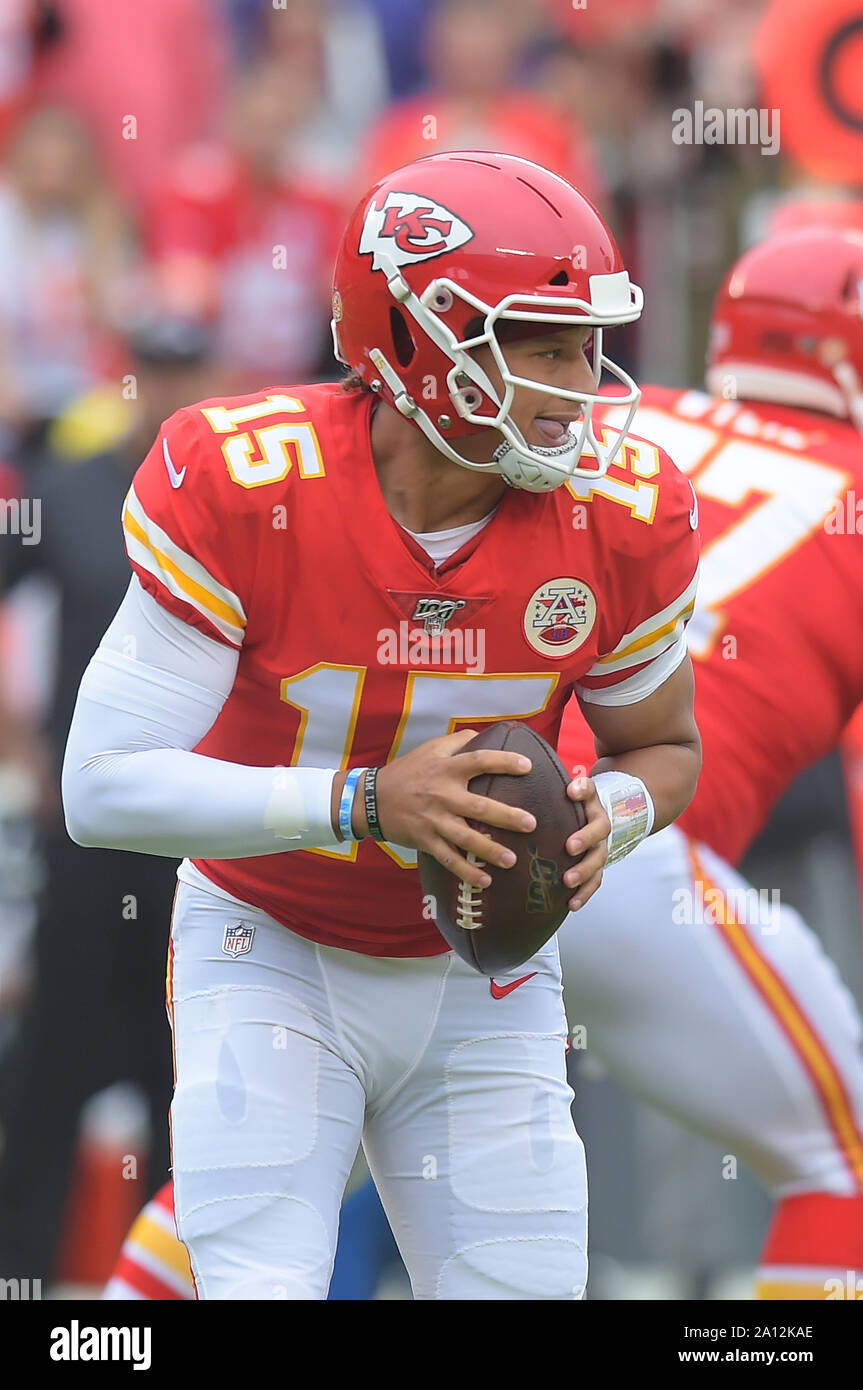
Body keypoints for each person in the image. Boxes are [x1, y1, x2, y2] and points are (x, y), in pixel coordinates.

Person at [61, 151, 701, 1301]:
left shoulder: (621, 515)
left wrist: (617, 810)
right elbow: (101, 787)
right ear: (411, 337)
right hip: (271, 946)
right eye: (542, 344)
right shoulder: (250, 477)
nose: (578, 383)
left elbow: (665, 744)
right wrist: (363, 801)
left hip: (484, 975)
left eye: (586, 344)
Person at [0, 316, 217, 1287]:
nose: (169, 391)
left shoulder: (234, 503)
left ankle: (167, 1287)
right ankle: (25, 1283)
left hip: (199, 834)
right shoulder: (73, 489)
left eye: (187, 371)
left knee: (191, 1082)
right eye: (155, 372)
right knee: (54, 1072)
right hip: (87, 839)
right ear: (128, 377)